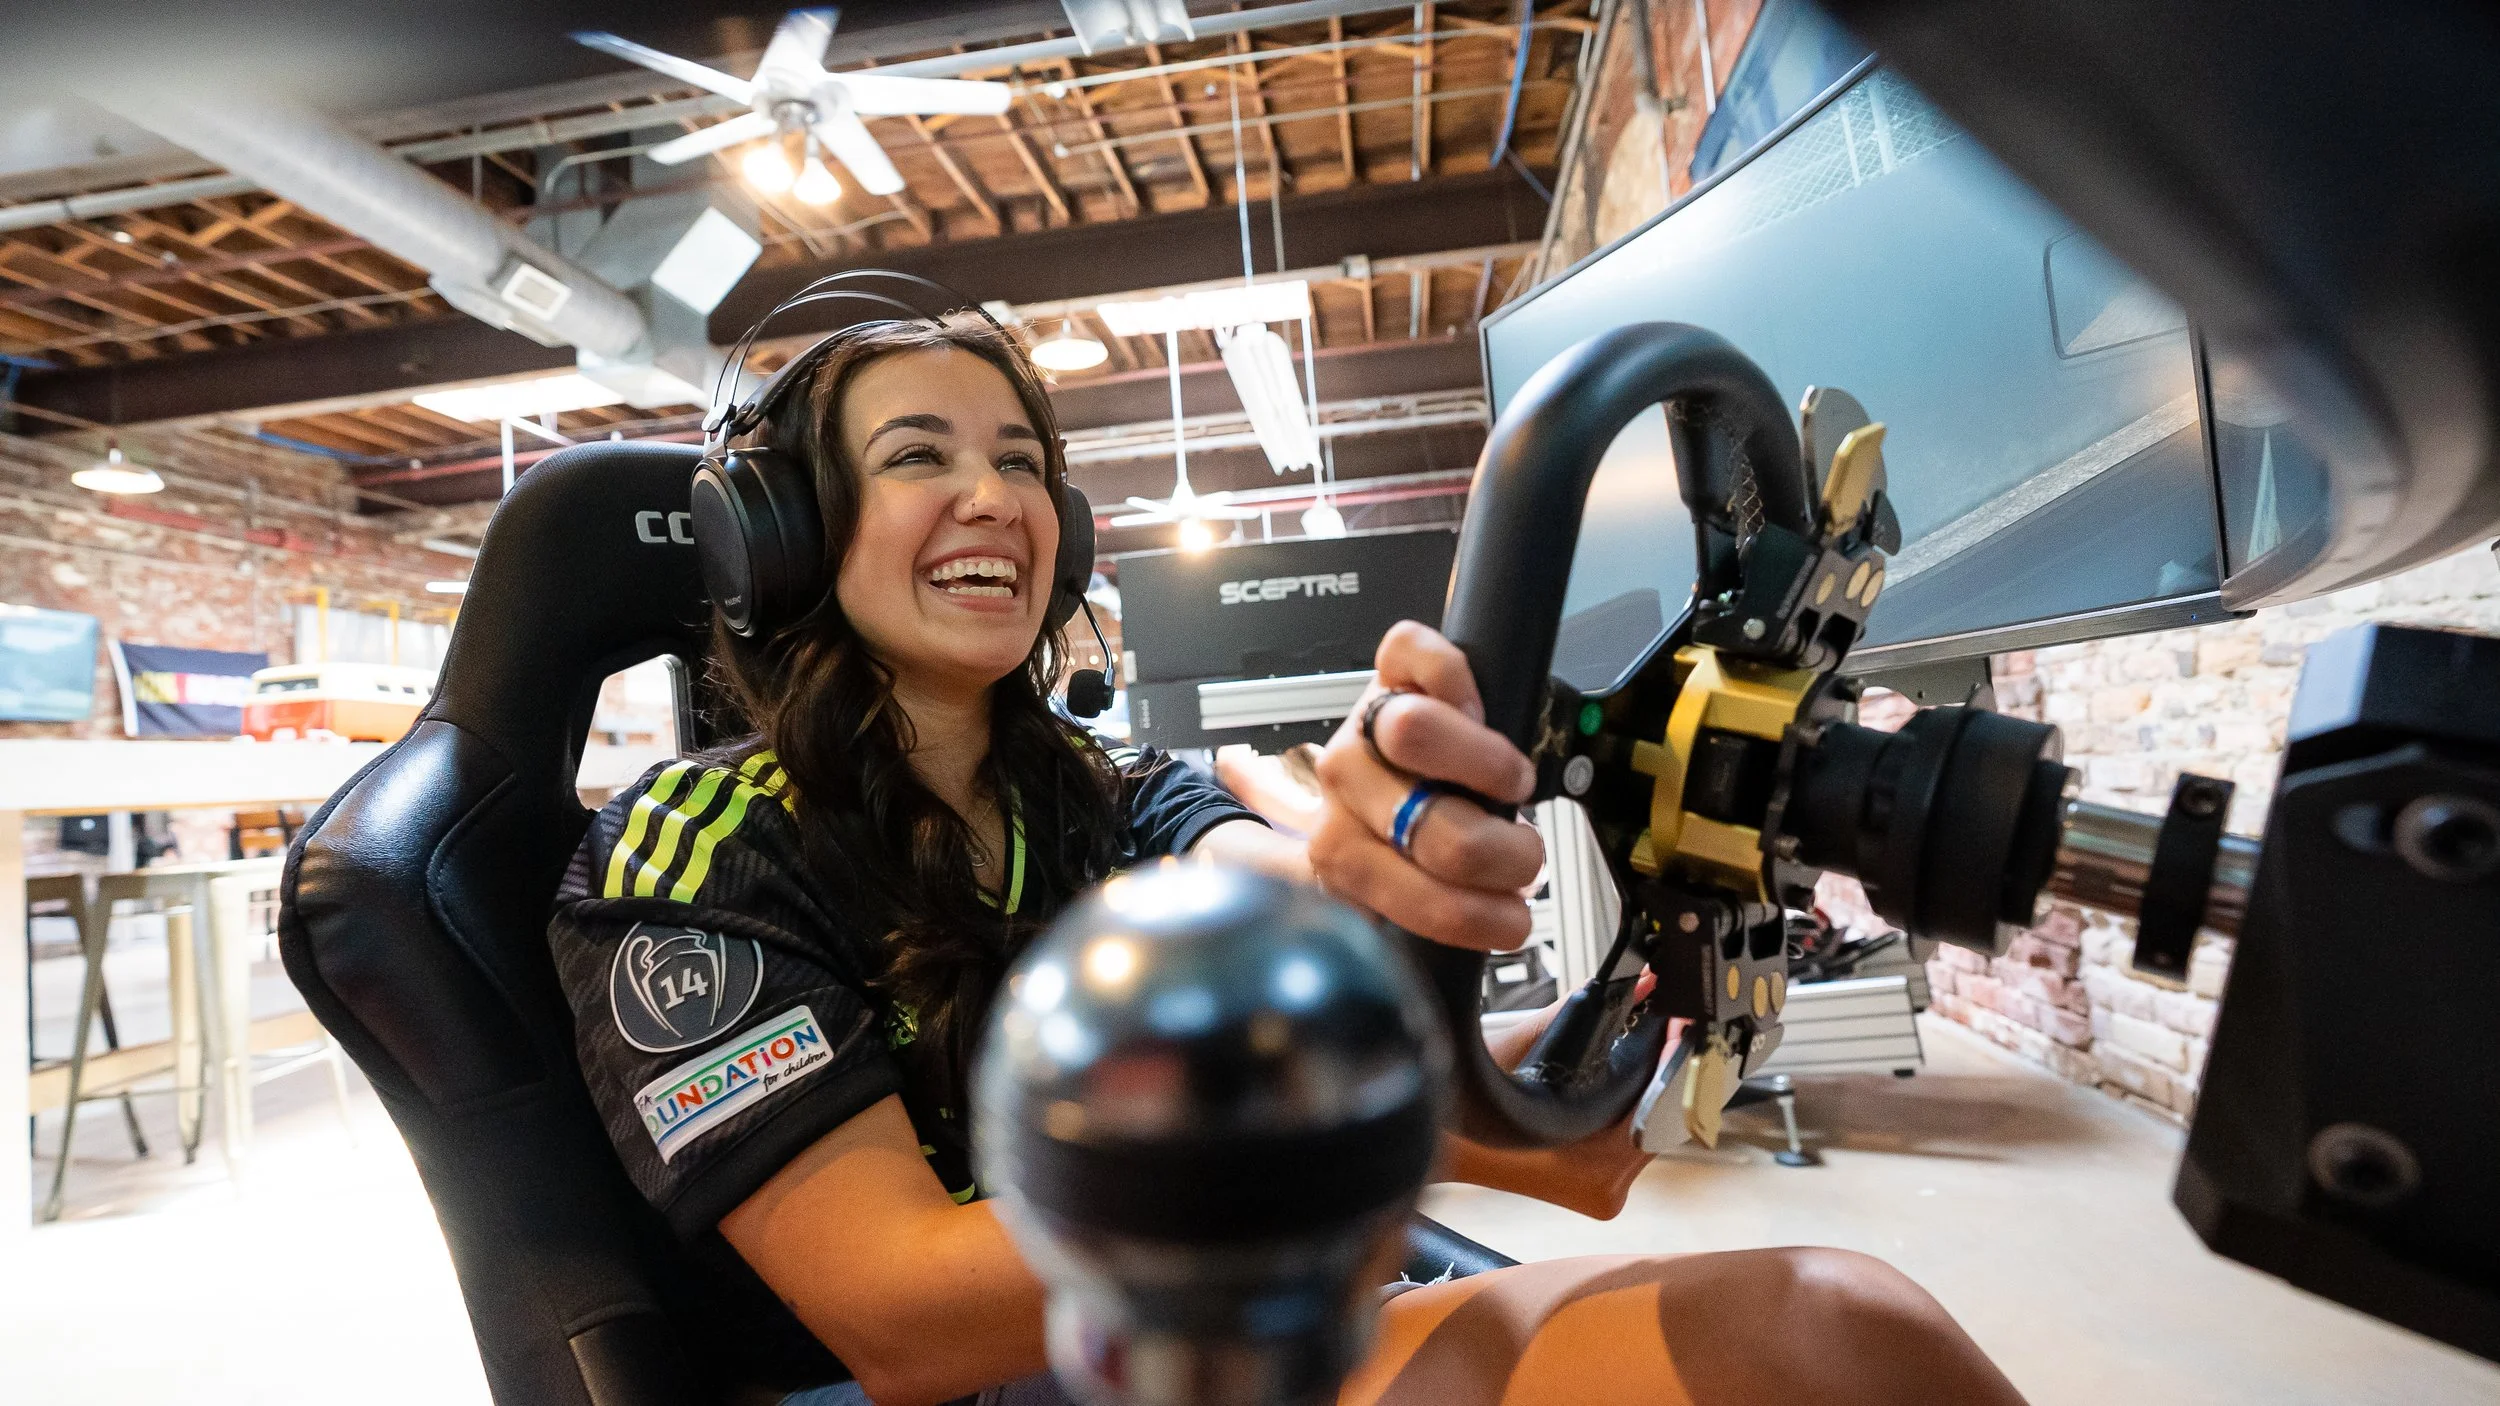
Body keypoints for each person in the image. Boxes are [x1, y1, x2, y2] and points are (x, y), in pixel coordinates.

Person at [547, 313, 2028, 1406]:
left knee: (1826, 1335)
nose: (992, 497)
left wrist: (1392, 858)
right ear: (788, 540)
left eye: (1018, 462)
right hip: (969, 1384)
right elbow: (905, 1312)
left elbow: (1287, 883)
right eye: (918, 457)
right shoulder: (688, 865)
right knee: (1825, 1339)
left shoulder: (1104, 792)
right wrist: (1407, 1132)